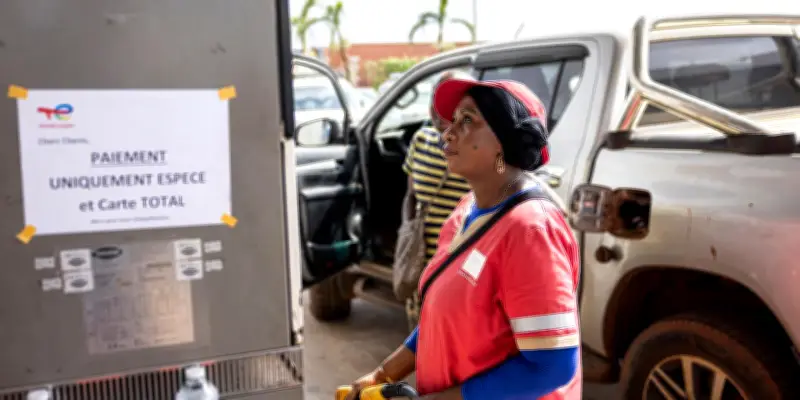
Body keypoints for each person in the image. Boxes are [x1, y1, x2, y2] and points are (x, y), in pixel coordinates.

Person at [345, 77, 581, 399]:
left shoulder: (530, 231)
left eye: (467, 120)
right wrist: (384, 372)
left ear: (503, 139)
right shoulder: (466, 210)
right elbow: (444, 317)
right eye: (452, 120)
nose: (448, 132)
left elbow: (552, 366)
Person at [401, 71, 472, 329]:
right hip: (422, 258)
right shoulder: (421, 141)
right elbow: (410, 196)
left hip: (460, 259)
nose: (440, 109)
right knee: (420, 331)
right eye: (437, 99)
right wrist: (408, 234)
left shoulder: (480, 149)